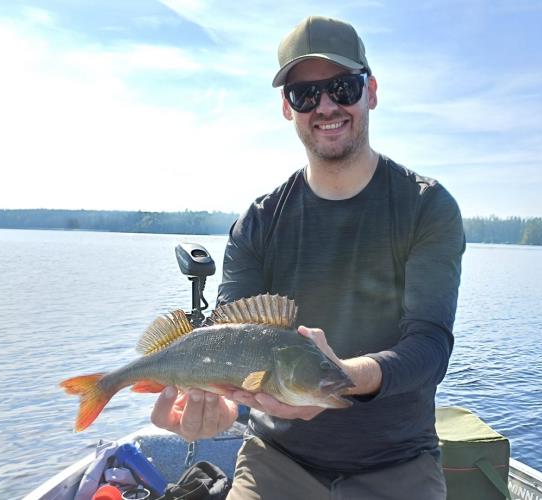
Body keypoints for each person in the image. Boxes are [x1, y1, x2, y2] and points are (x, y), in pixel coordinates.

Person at [151, 15, 465, 499]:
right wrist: (216, 407)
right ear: (287, 108)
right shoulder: (258, 223)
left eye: (342, 87)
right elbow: (228, 338)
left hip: (398, 465)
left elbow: (429, 347)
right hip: (276, 462)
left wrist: (341, 377)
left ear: (372, 91)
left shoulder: (426, 207)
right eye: (305, 94)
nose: (325, 106)